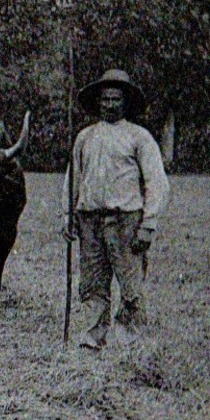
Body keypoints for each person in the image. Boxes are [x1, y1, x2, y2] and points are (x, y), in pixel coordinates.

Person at [66, 68, 169, 350]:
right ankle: (92, 337)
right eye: (105, 99)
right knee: (92, 283)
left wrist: (148, 225)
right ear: (98, 102)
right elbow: (73, 179)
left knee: (130, 283)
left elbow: (156, 183)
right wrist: (69, 217)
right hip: (90, 220)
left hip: (126, 221)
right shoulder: (85, 137)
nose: (109, 104)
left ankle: (128, 340)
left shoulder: (139, 137)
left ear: (126, 102)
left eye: (115, 99)